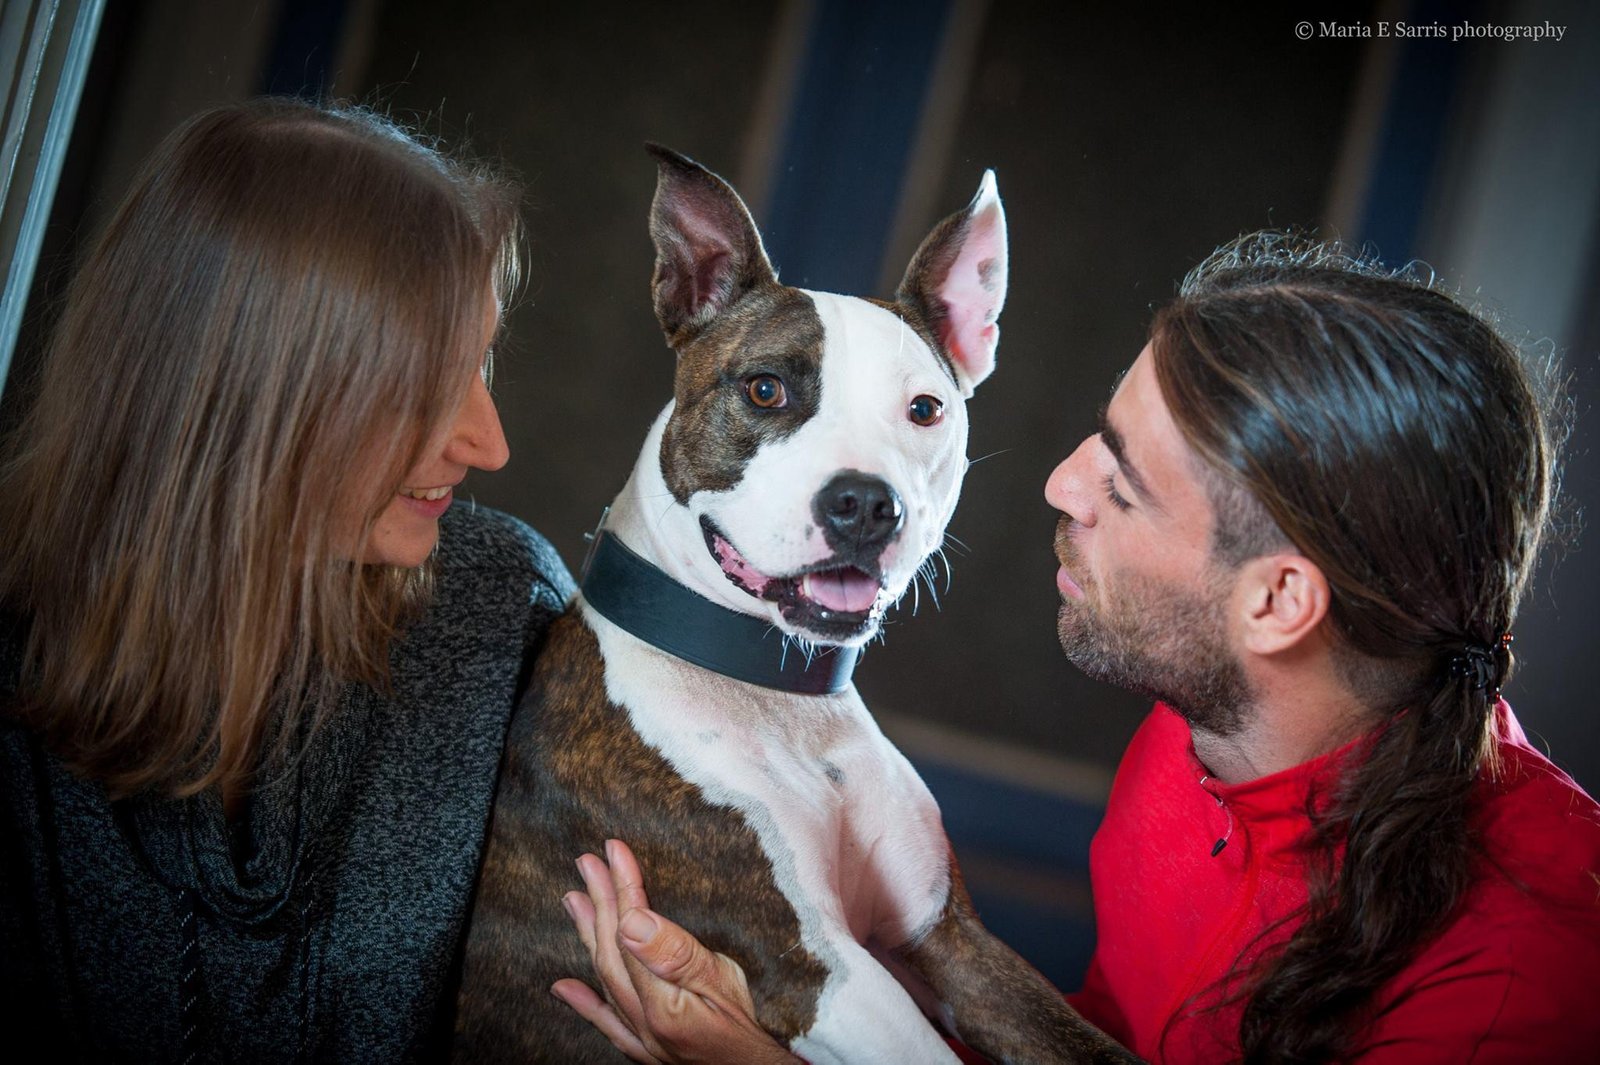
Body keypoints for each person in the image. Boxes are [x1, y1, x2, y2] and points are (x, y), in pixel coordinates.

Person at [553, 233, 1600, 1063]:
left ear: (1279, 602)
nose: (1058, 483)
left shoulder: (1522, 980)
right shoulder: (1192, 740)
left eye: (1122, 480)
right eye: (1098, 436)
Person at [0, 98, 573, 1061]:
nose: (491, 442)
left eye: (482, 362)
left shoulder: (500, 608)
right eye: (428, 382)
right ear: (256, 396)